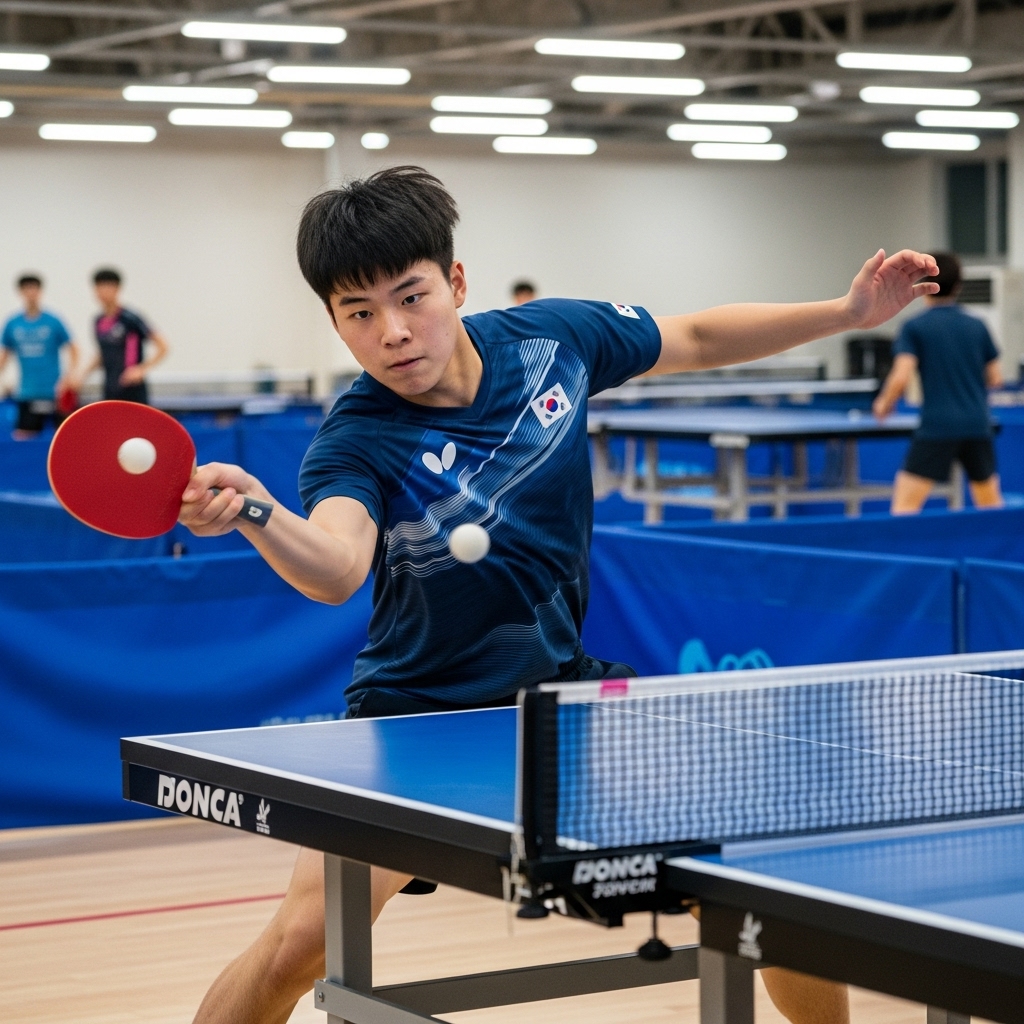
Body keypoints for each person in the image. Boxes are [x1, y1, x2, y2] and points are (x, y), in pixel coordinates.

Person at [177, 166, 939, 1024]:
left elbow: (689, 336)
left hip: (562, 696)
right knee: (301, 941)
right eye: (359, 313)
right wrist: (255, 510)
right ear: (334, 322)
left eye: (410, 296)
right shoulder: (356, 438)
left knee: (757, 884)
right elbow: (337, 565)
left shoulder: (552, 343)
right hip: (414, 715)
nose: (391, 332)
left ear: (456, 283)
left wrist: (843, 315)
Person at [873, 252, 1003, 514]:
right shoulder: (978, 325)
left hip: (937, 426)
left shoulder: (914, 326)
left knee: (904, 508)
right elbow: (996, 379)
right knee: (990, 508)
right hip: (978, 423)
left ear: (924, 282)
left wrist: (883, 404)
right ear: (958, 285)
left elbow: (901, 375)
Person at [0, 273, 78, 439]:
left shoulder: (53, 321)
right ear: (20, 292)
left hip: (55, 393)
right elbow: (4, 355)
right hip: (27, 392)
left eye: (34, 288)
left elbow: (73, 349)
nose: (31, 293)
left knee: (63, 438)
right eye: (26, 289)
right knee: (23, 439)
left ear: (40, 291)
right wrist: (3, 380)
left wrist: (70, 377)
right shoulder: (13, 323)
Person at [78, 268, 169, 403]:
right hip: (110, 389)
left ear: (117, 289)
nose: (102, 292)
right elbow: (102, 355)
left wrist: (141, 370)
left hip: (132, 390)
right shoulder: (98, 321)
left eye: (107, 287)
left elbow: (163, 346)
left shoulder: (130, 318)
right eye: (98, 287)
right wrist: (82, 376)